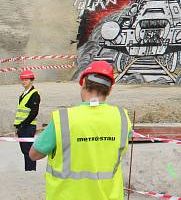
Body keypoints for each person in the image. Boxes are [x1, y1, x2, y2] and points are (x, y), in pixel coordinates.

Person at [29, 61, 131, 200]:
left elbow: (34, 155)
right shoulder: (122, 117)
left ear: (83, 85)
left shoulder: (63, 119)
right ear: (110, 90)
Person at [15, 70, 40, 171]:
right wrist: (18, 127)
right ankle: (28, 170)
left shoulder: (34, 94)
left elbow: (33, 113)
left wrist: (23, 125)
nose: (24, 81)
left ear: (31, 80)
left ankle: (31, 170)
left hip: (28, 127)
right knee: (25, 151)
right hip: (22, 127)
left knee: (29, 151)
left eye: (26, 79)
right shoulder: (24, 94)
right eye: (22, 79)